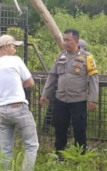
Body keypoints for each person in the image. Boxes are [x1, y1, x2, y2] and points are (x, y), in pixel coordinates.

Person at [40, 29, 99, 161]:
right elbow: (52, 76)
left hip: (78, 101)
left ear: (76, 41)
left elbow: (94, 79)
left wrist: (93, 99)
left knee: (79, 130)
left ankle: (79, 157)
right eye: (64, 40)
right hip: (61, 100)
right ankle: (60, 155)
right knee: (60, 129)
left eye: (68, 40)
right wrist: (45, 94)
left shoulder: (87, 57)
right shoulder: (60, 56)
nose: (65, 43)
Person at [0, 35, 39, 171]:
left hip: (2, 111)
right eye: (14, 46)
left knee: (6, 150)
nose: (15, 50)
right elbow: (30, 82)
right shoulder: (15, 60)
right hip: (18, 107)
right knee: (31, 145)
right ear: (6, 47)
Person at [42, 39, 88, 133]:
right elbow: (53, 74)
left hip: (72, 94)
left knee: (66, 113)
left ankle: (64, 129)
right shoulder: (62, 56)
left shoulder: (85, 57)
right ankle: (47, 128)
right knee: (53, 110)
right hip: (59, 90)